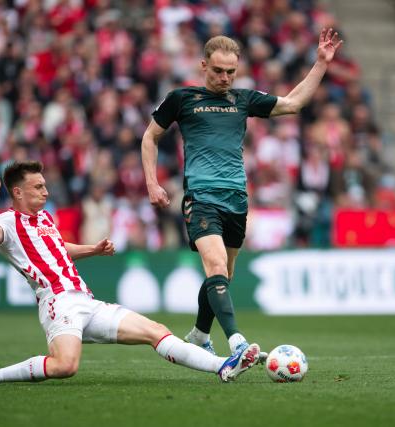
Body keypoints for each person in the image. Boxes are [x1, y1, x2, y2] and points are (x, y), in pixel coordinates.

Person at [0, 161, 260, 386]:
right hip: (57, 304)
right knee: (65, 366)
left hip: (86, 301)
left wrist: (93, 249)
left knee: (155, 330)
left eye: (45, 185)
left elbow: (58, 248)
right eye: (39, 187)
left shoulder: (44, 218)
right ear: (18, 191)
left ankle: (224, 365)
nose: (46, 191)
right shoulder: (8, 221)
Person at [141, 29, 342, 356]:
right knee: (216, 266)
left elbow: (292, 104)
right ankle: (237, 343)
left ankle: (198, 334)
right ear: (203, 65)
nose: (224, 78)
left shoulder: (243, 99)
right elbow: (150, 137)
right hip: (201, 197)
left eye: (231, 72)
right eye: (218, 71)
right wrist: (152, 182)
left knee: (224, 274)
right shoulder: (182, 99)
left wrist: (320, 63)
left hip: (236, 198)